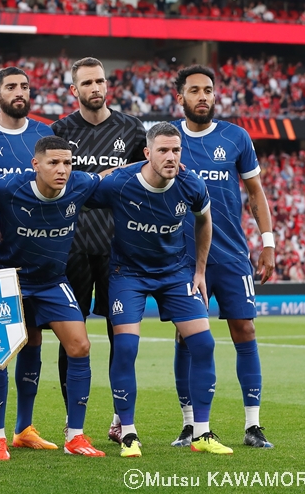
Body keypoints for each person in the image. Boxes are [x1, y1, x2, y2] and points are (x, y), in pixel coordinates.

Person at [85, 121, 233, 457]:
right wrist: (105, 175)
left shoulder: (191, 184)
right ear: (147, 153)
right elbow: (82, 194)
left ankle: (202, 433)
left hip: (175, 273)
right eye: (163, 150)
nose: (171, 156)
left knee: (204, 344)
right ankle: (128, 432)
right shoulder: (122, 183)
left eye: (176, 150)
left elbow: (204, 220)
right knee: (125, 349)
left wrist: (199, 271)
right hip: (128, 275)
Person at [170, 65, 275, 448]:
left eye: (208, 90)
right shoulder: (167, 138)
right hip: (182, 258)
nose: (203, 96)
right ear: (179, 97)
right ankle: (189, 424)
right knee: (188, 337)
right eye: (194, 90)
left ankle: (252, 425)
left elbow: (255, 191)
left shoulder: (236, 137)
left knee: (244, 330)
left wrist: (268, 242)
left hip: (231, 254)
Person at [0, 136, 106, 459]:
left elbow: (111, 176)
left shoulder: (80, 184)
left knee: (79, 345)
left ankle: (74, 436)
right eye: (53, 163)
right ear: (35, 165)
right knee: (0, 353)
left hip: (52, 281)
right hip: (10, 279)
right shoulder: (7, 187)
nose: (62, 169)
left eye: (67, 162)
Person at [50, 57, 146, 446]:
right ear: (74, 90)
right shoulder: (60, 131)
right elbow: (54, 184)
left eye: (100, 81)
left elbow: (146, 177)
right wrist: (96, 179)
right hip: (70, 247)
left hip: (117, 248)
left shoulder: (131, 129)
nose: (96, 87)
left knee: (119, 336)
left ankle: (120, 417)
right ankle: (74, 422)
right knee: (70, 337)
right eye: (87, 82)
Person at [0, 66, 58, 454]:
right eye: (11, 87)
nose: (19, 92)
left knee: (32, 337)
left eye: (24, 86)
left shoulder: (45, 134)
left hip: (34, 257)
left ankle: (25, 427)